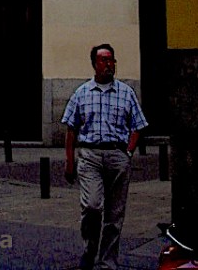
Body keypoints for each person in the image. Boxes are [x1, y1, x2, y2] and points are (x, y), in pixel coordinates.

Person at [62, 43, 148, 270]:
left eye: (112, 60)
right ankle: (89, 250)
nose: (109, 64)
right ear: (94, 64)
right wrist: (69, 162)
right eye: (104, 60)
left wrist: (128, 152)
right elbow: (71, 129)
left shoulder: (126, 93)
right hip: (90, 155)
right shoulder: (81, 93)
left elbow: (138, 126)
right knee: (92, 206)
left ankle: (108, 262)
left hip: (117, 155)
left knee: (115, 214)